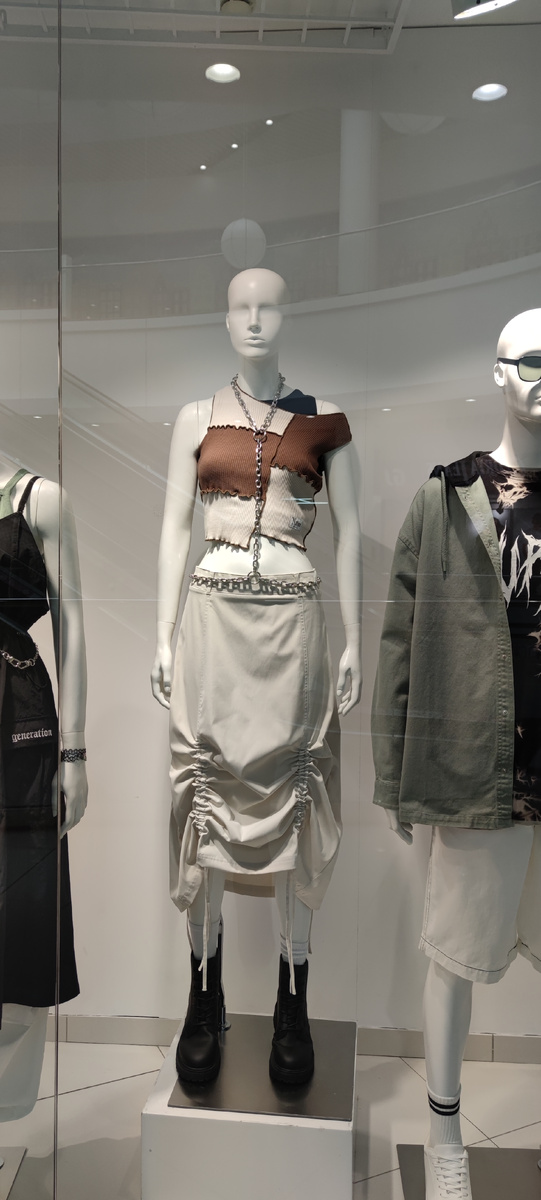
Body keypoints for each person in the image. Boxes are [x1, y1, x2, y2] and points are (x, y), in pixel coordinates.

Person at [151, 268, 362, 1086]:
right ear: (224, 317)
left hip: (295, 625)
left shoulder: (325, 419)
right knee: (203, 791)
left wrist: (351, 639)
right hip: (210, 621)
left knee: (299, 793)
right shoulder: (194, 418)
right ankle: (202, 994)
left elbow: (350, 533)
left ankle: (291, 998)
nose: (252, 319)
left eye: (266, 305)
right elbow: (174, 528)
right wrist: (162, 634)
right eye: (239, 305)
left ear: (286, 314)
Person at [372, 309, 541, 1199]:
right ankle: (443, 1139)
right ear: (497, 372)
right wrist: (393, 773)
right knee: (452, 958)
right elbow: (399, 640)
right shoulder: (445, 498)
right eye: (531, 361)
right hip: (477, 772)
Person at [0, 463, 87, 1121]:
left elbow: (71, 625)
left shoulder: (39, 501)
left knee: (21, 910)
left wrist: (75, 752)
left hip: (16, 729)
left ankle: (6, 1106)